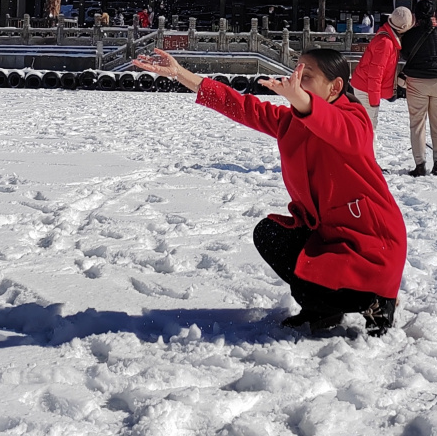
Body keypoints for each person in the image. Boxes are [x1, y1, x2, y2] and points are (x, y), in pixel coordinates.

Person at [133, 46, 405, 336]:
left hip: (373, 245)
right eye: (296, 72)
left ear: (335, 87)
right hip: (328, 235)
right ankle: (324, 309)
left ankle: (377, 302)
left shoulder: (355, 119)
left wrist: (298, 98)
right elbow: (238, 105)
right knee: (271, 235)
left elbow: (336, 127)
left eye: (307, 75)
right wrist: (180, 74)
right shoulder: (291, 121)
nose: (296, 80)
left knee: (323, 278)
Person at [400, 1, 437, 177]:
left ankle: (420, 164)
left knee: (417, 124)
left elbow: (404, 53)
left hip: (417, 82)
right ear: (434, 14)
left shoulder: (411, 34)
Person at [351, 8, 407, 133]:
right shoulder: (386, 43)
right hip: (366, 89)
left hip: (365, 86)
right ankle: (368, 153)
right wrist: (374, 99)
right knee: (368, 129)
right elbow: (375, 73)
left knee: (366, 127)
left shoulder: (388, 39)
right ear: (403, 27)